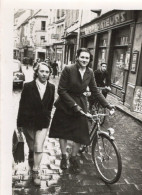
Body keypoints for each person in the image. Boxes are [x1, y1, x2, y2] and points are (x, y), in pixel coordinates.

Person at [49, 48, 115, 173]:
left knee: (80, 133)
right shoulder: (68, 69)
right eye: (82, 57)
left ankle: (73, 157)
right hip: (65, 103)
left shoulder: (90, 72)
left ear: (89, 60)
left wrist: (107, 105)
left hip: (81, 102)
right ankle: (64, 156)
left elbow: (95, 90)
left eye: (87, 58)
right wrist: (74, 106)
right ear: (77, 57)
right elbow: (61, 90)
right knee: (63, 132)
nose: (84, 60)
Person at [17, 62, 55, 186]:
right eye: (42, 71)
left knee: (39, 146)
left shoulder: (51, 87)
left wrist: (47, 117)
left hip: (42, 122)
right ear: (37, 72)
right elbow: (22, 106)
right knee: (32, 145)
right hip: (29, 122)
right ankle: (31, 156)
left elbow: (50, 106)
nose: (44, 74)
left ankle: (36, 171)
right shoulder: (28, 86)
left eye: (47, 72)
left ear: (49, 74)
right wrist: (19, 124)